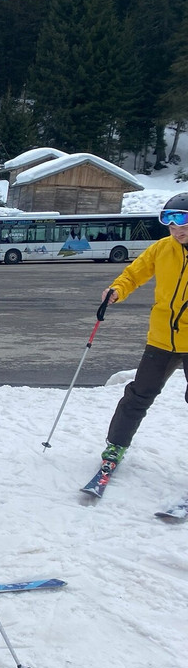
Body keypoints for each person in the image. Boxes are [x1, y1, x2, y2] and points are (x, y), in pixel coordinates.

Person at [93, 193, 188, 475]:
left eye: (182, 223)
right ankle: (115, 445)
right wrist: (116, 290)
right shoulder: (162, 249)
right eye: (170, 225)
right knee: (138, 395)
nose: (176, 230)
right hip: (161, 339)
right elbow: (134, 274)